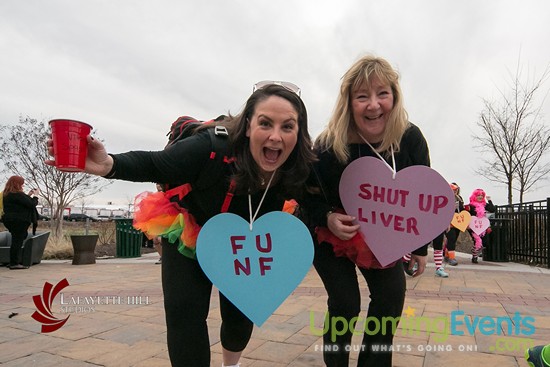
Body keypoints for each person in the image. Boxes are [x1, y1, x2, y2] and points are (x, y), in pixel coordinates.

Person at [47, 83, 315, 367]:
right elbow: (155, 163)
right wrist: (108, 164)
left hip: (245, 239)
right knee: (184, 313)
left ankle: (231, 365)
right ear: (248, 126)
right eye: (265, 123)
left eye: (287, 126)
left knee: (240, 314)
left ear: (298, 134)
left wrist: (330, 217)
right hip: (191, 230)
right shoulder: (211, 146)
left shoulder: (298, 167)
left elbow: (323, 197)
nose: (275, 136)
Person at [302, 55, 429, 366]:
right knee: (345, 303)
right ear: (349, 102)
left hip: (379, 232)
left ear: (394, 97)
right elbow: (304, 197)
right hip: (330, 232)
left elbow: (423, 194)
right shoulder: (327, 146)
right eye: (362, 96)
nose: (373, 105)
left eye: (382, 93)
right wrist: (328, 218)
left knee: (390, 300)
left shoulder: (410, 138)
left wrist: (421, 247)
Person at [1, 176, 39, 269]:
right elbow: (31, 204)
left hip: (10, 220)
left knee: (17, 239)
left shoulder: (7, 194)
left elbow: (22, 202)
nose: (23, 185)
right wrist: (36, 196)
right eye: (21, 183)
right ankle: (14, 263)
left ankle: (13, 261)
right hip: (19, 221)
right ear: (17, 184)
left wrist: (29, 195)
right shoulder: (17, 194)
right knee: (17, 241)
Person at [465, 188, 495, 263]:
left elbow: (492, 209)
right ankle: (475, 256)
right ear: (475, 196)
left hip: (482, 226)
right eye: (478, 195)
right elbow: (466, 215)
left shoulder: (485, 205)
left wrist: (489, 200)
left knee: (484, 242)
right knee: (477, 240)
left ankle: (475, 253)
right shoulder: (471, 206)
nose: (480, 197)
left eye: (482, 195)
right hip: (472, 227)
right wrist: (467, 225)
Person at [444, 182, 464, 266]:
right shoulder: (445, 198)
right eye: (453, 190)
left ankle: (446, 255)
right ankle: (451, 258)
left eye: (455, 190)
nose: (454, 191)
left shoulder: (459, 198)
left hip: (457, 222)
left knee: (453, 239)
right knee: (451, 238)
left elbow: (462, 211)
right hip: (448, 222)